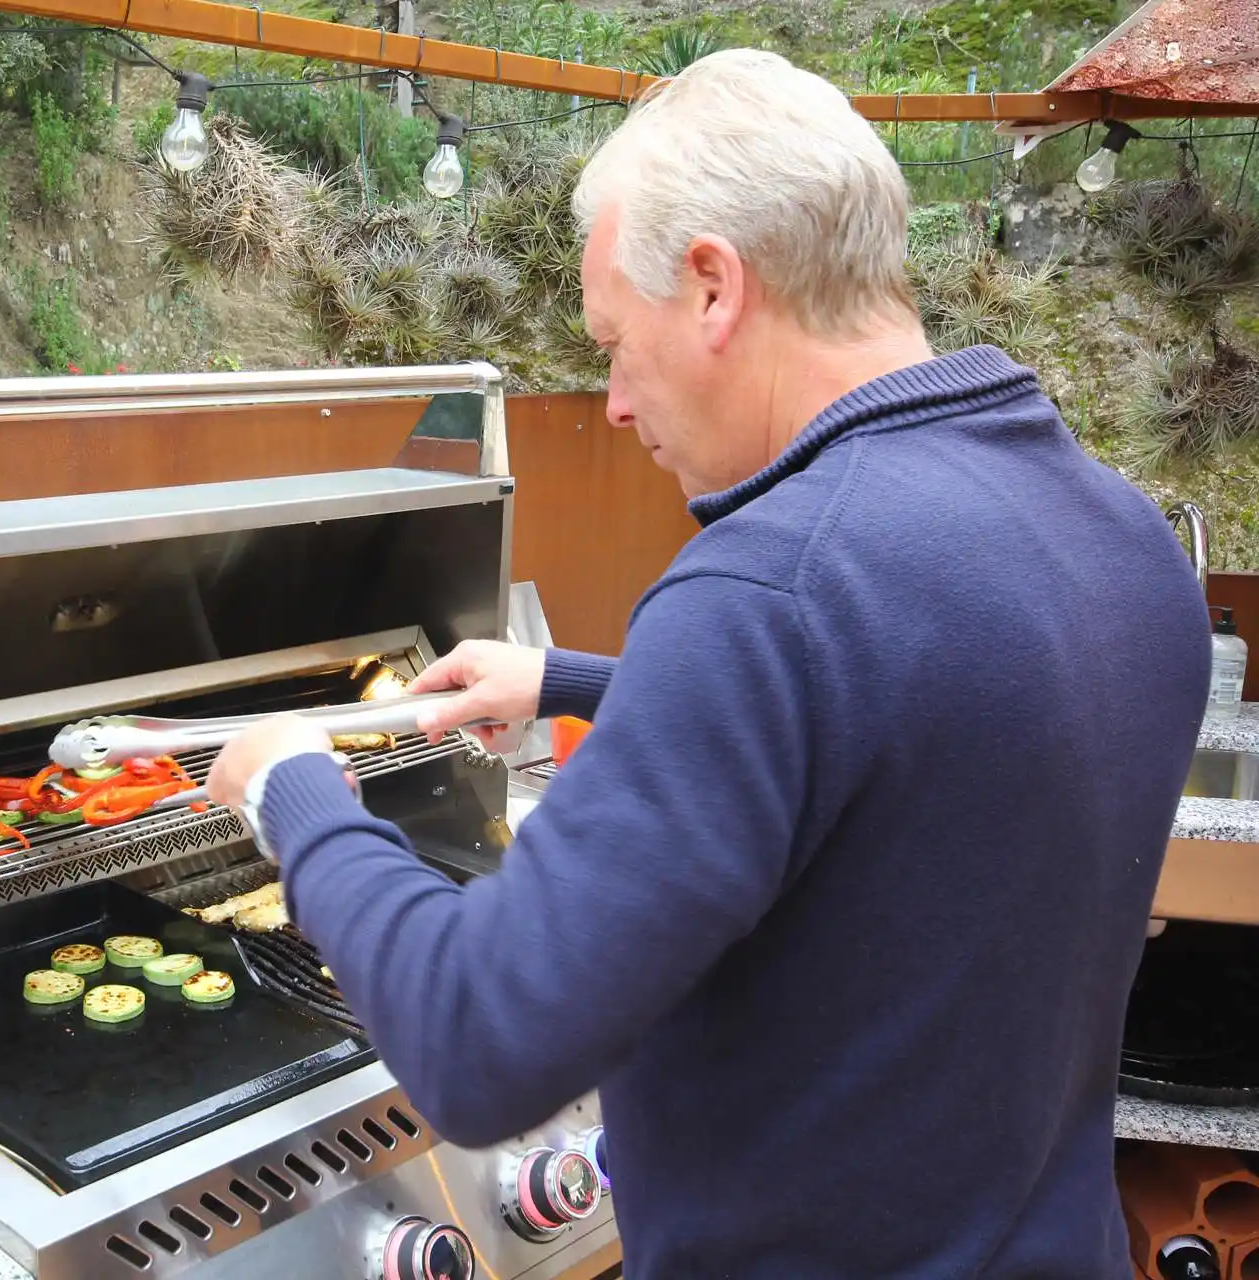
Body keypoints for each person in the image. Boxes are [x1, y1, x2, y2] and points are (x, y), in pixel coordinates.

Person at [207, 47, 1212, 1278]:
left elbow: (476, 1039)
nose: (616, 402)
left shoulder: (769, 588)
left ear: (714, 288)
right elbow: (921, 722)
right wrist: (569, 680)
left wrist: (293, 791)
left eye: (615, 342)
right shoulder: (1122, 534)